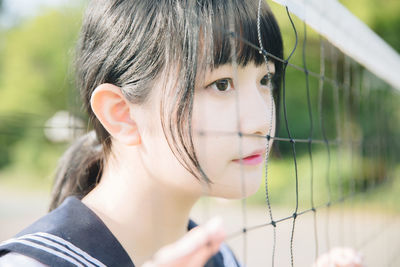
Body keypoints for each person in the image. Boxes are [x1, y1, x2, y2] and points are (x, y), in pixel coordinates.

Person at [0, 0, 363, 266]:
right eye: (221, 84)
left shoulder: (219, 257)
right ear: (121, 113)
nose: (261, 122)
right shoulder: (33, 264)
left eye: (265, 79)